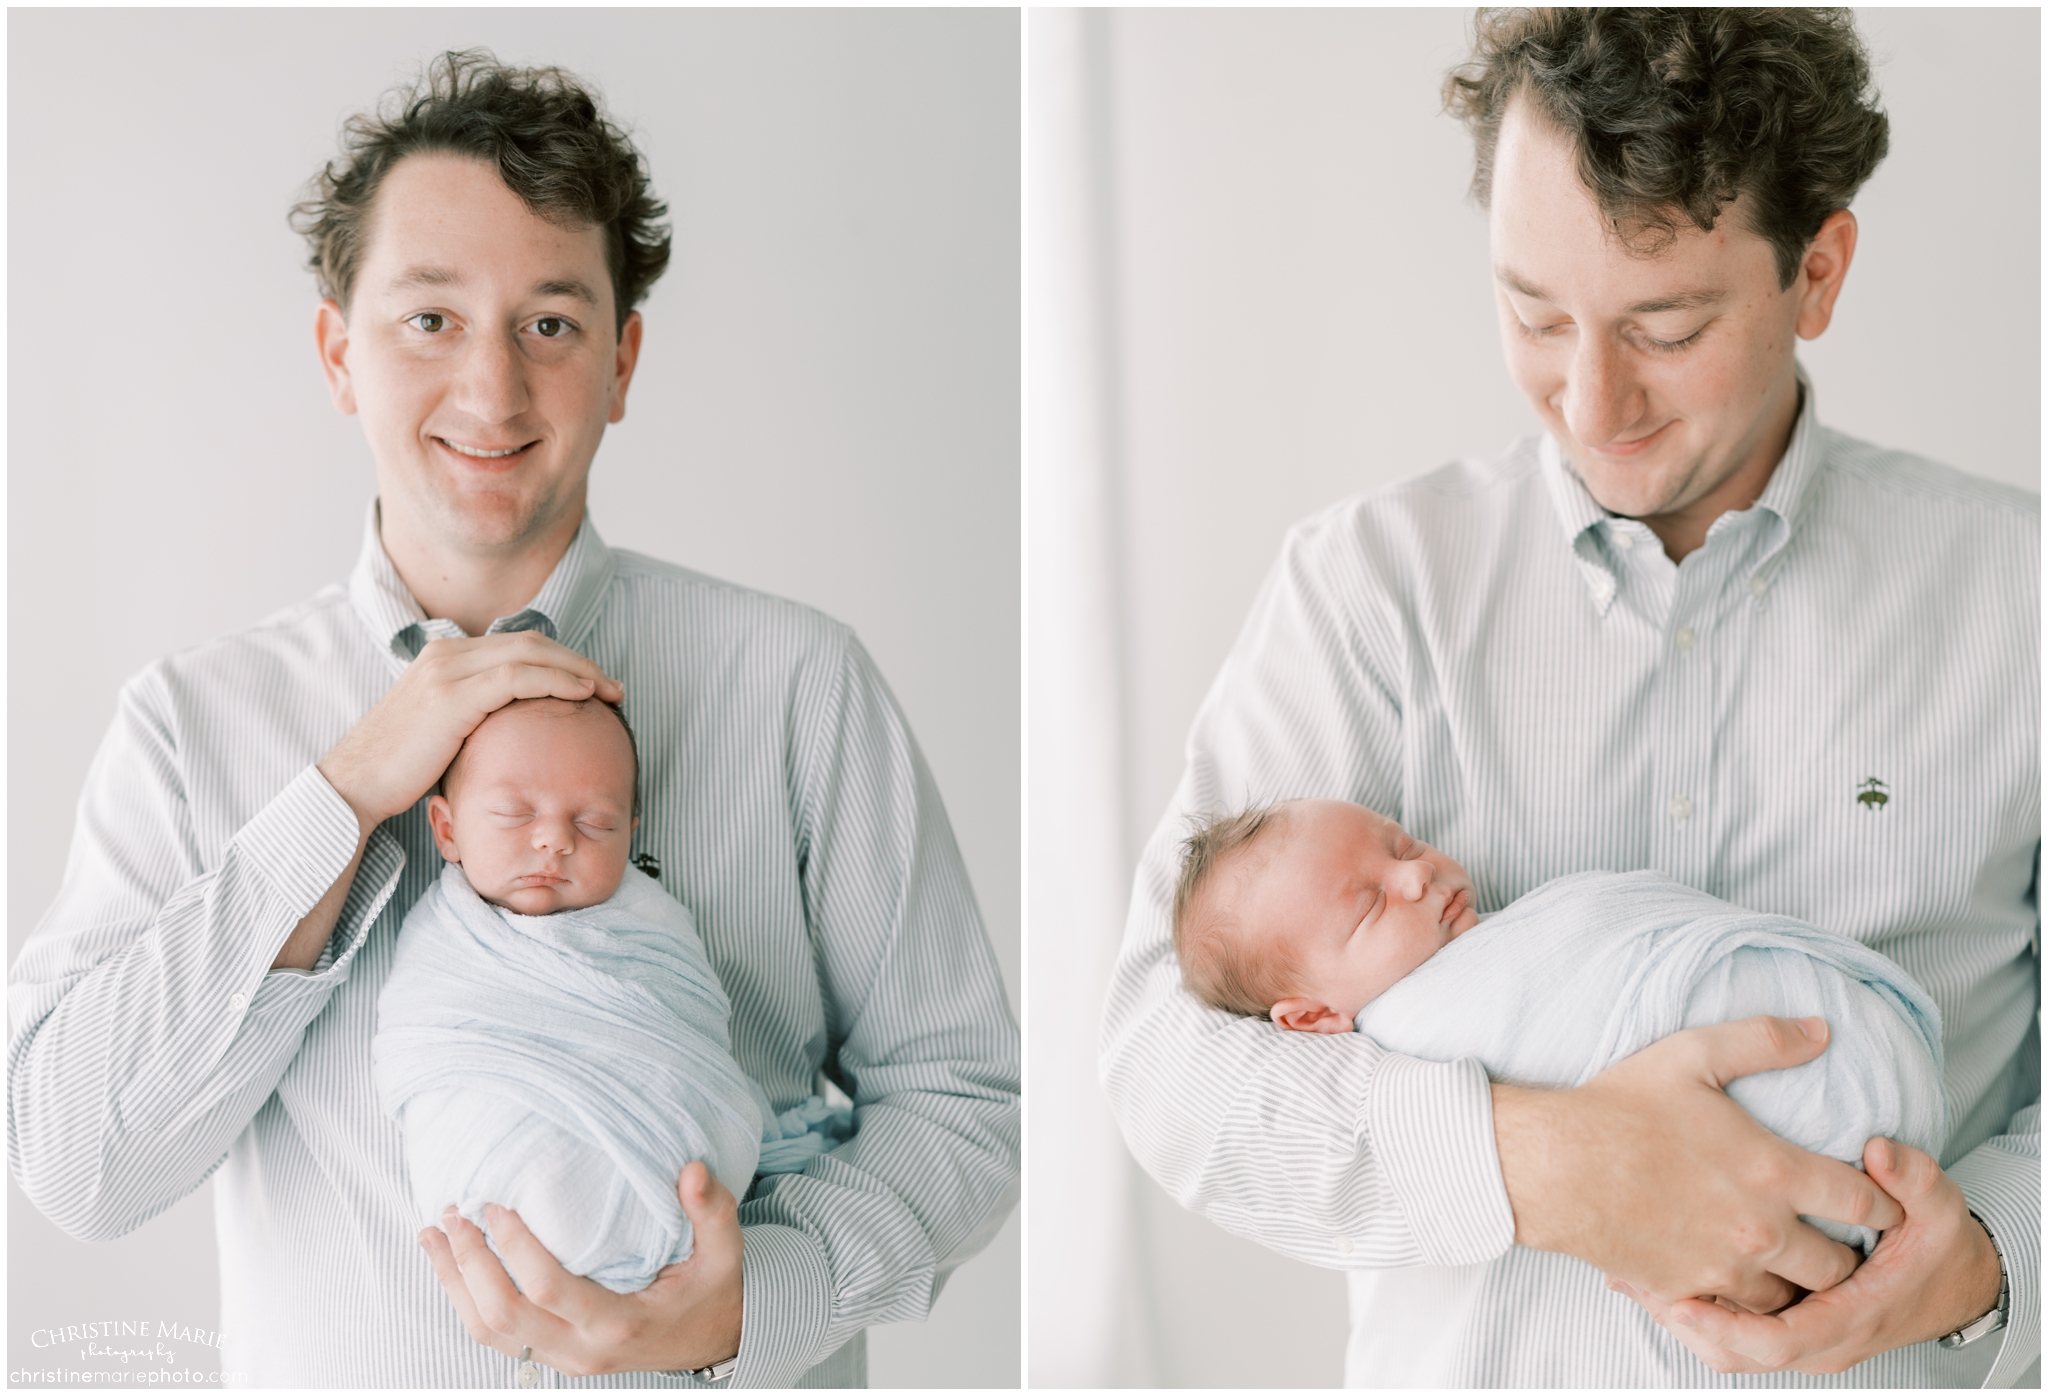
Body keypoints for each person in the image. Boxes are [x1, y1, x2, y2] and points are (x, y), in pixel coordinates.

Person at [9, 51, 1019, 1388]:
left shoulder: (797, 684)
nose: (491, 392)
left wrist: (748, 1310)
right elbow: (78, 1168)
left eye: (549, 323)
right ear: (336, 353)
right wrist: (349, 792)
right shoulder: (193, 726)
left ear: (622, 360)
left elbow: (962, 1102)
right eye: (429, 319)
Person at [1101, 9, 2035, 1387]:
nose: (1592, 402)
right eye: (1534, 313)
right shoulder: (1368, 591)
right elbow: (1167, 1063)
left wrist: (1995, 1263)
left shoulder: (2025, 596)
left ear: (1818, 272)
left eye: (1666, 325)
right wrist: (1559, 1166)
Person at [1164, 798, 1946, 1253]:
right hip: (1825, 1153)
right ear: (1312, 1017)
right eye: (1369, 905)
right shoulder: (1416, 1028)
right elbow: (1170, 1088)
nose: (1415, 874)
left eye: (1402, 844)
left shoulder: (1492, 940)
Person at [375, 695, 848, 1298]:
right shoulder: (442, 946)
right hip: (491, 1191)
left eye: (595, 822)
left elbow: (688, 1043)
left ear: (630, 835)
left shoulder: (653, 928)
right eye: (514, 812)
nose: (553, 839)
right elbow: (422, 1045)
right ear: (447, 829)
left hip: (690, 1216)